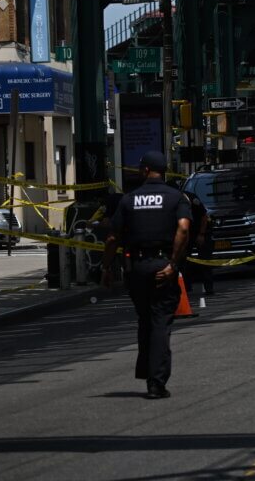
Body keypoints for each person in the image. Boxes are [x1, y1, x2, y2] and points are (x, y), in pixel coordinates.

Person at [100, 151, 192, 400]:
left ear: (144, 171)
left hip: (137, 267)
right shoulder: (176, 197)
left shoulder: (129, 200)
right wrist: (174, 263)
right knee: (160, 321)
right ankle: (156, 382)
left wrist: (106, 267)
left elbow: (112, 237)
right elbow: (183, 227)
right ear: (164, 171)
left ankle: (146, 369)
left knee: (145, 319)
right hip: (163, 265)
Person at [182, 192, 213, 296]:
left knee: (205, 259)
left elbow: (204, 217)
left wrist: (201, 234)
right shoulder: (174, 201)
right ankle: (186, 286)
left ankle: (209, 287)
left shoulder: (193, 200)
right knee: (184, 259)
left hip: (201, 230)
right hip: (187, 232)